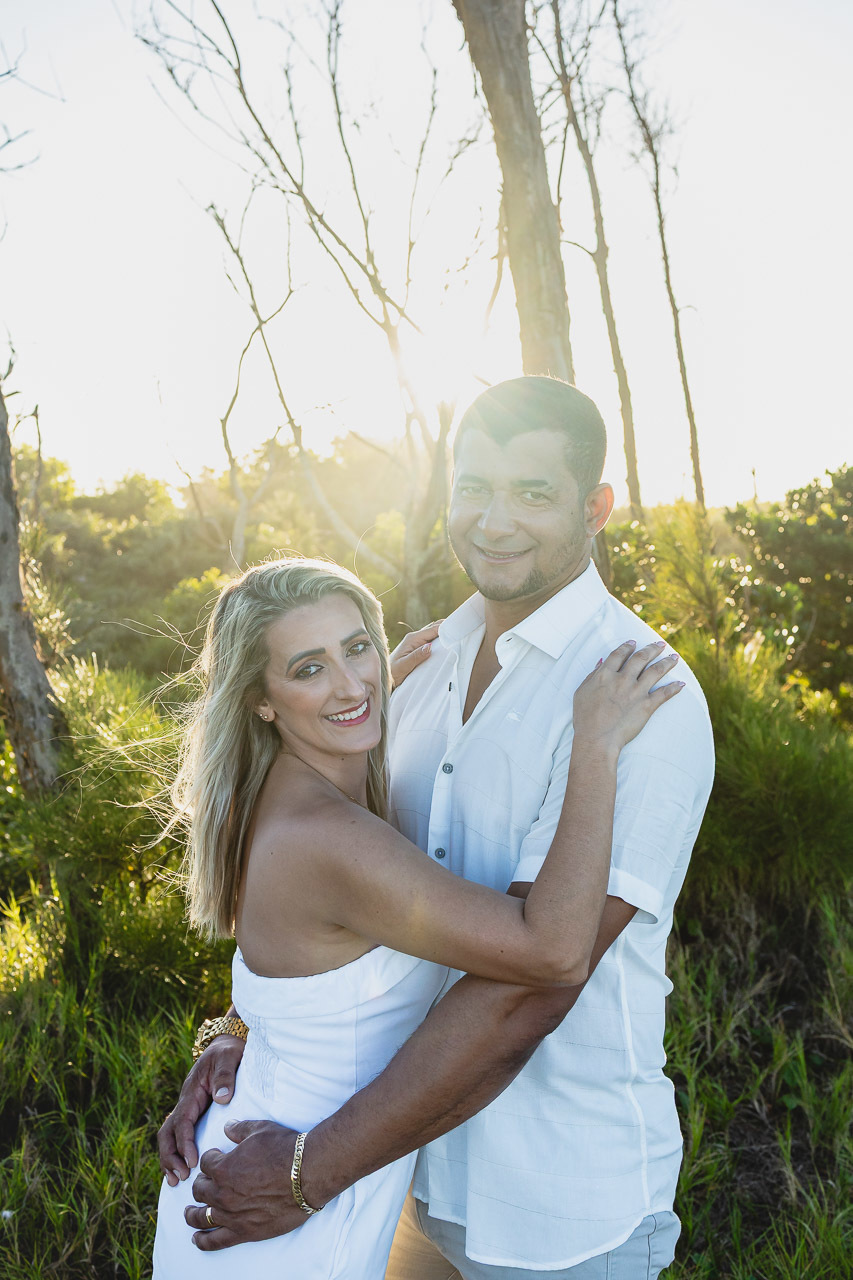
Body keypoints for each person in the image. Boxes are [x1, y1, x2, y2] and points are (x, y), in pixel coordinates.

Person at [159, 376, 715, 1279]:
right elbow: (337, 908)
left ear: (594, 508)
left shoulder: (639, 700)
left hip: (551, 1211)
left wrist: (310, 1171)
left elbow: (538, 980)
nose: (494, 521)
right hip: (400, 1191)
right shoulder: (407, 678)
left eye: (531, 492)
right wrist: (243, 1031)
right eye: (474, 488)